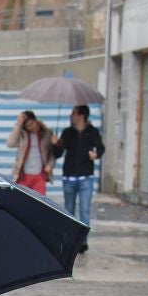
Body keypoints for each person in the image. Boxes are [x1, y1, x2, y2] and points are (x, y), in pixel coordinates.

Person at [51, 104, 104, 251]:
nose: (70, 116)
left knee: (85, 210)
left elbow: (100, 147)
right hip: (69, 178)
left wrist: (96, 154)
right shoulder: (67, 132)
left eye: (73, 113)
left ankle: (82, 242)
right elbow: (58, 153)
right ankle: (69, 241)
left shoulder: (92, 131)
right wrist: (55, 145)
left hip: (86, 178)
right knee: (69, 211)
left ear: (80, 116)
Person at [6, 109, 54, 195]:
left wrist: (50, 165)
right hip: (23, 176)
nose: (32, 127)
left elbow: (52, 153)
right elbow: (10, 143)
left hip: (39, 176)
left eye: (32, 123)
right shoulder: (22, 134)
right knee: (22, 203)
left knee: (40, 204)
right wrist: (19, 124)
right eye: (28, 126)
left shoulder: (47, 133)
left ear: (35, 120)